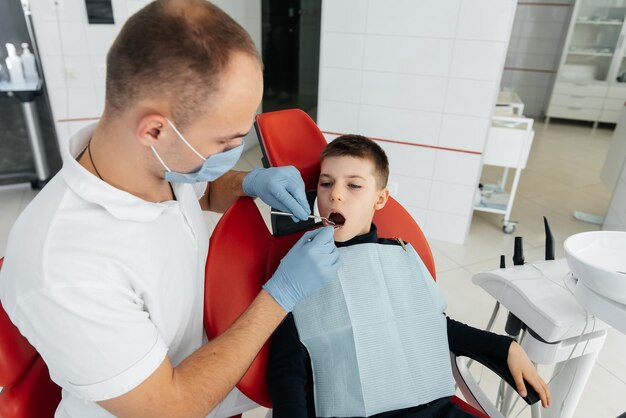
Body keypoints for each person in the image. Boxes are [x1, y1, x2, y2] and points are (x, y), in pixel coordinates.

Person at [0, 1, 340, 417]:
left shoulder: (154, 163)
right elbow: (170, 408)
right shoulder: (64, 265)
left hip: (217, 371)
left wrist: (249, 183)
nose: (237, 151)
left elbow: (198, 193)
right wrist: (280, 296)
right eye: (226, 142)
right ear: (155, 129)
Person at [268, 134, 551, 418]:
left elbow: (432, 325)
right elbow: (286, 372)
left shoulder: (399, 255)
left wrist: (506, 347)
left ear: (380, 198)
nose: (336, 194)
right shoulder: (302, 269)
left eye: (353, 185)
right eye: (326, 183)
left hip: (435, 410)